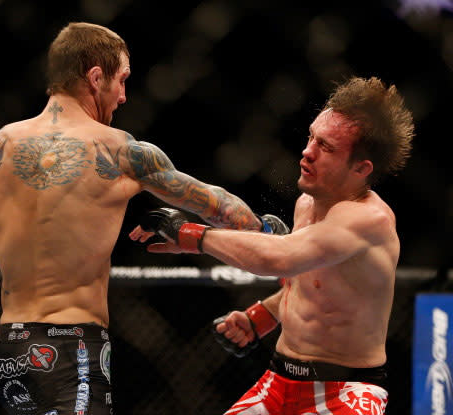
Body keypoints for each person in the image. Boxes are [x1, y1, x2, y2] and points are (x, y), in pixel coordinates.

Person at [0, 22, 287, 415]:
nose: (123, 96)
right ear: (95, 77)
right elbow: (217, 206)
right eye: (121, 80)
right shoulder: (119, 150)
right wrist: (270, 232)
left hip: (7, 349)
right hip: (71, 345)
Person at [132, 76, 414, 414]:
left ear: (360, 168)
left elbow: (281, 259)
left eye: (325, 147)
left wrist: (191, 235)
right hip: (278, 381)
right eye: (311, 136)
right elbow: (312, 284)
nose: (307, 151)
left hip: (345, 392)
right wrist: (262, 316)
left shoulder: (369, 220)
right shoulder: (307, 204)